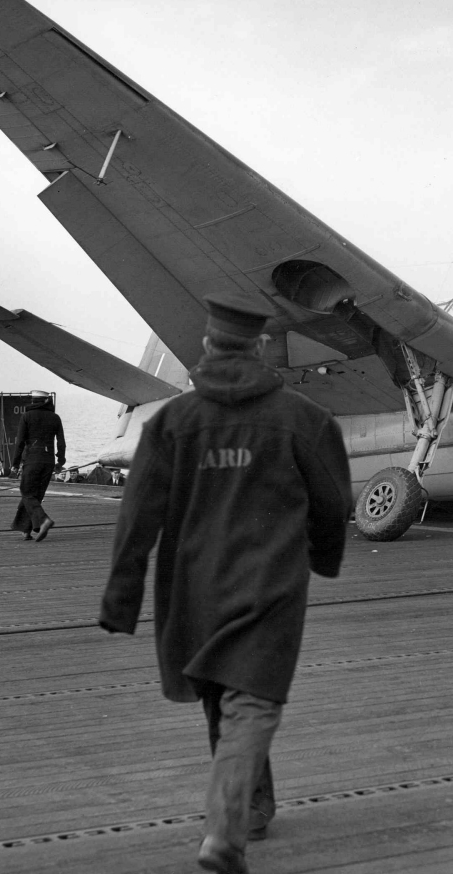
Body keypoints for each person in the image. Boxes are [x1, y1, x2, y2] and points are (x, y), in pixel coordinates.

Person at [98, 292, 352, 874]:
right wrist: (323, 557)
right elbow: (334, 501)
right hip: (271, 586)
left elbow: (137, 518)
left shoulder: (172, 423)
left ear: (208, 346)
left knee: (223, 695)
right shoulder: (303, 419)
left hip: (193, 587)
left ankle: (251, 809)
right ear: (260, 346)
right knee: (252, 699)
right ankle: (225, 833)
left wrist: (121, 598)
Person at [11, 391, 66, 542]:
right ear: (46, 401)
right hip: (48, 461)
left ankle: (43, 520)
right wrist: (60, 461)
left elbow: (20, 442)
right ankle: (26, 530)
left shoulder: (27, 416)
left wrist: (15, 463)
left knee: (27, 493)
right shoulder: (55, 417)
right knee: (36, 496)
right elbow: (61, 442)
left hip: (32, 459)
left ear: (33, 401)